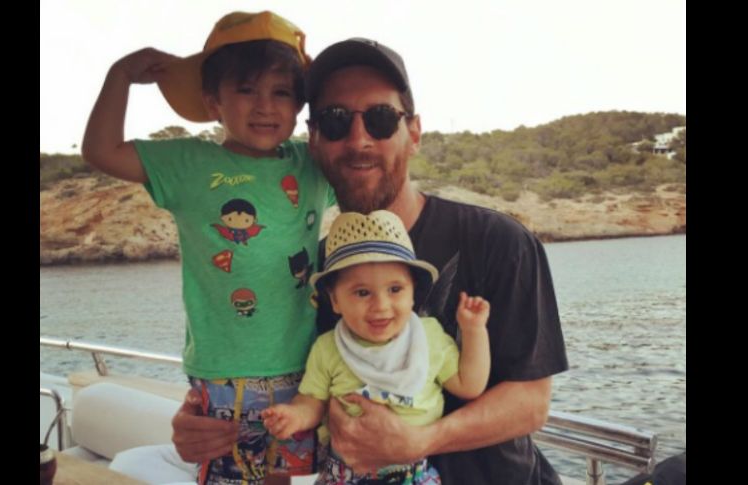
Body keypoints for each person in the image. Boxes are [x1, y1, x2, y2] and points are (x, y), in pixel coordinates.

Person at [171, 37, 569, 485]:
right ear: (313, 140)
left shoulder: (500, 242)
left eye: (381, 119)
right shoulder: (312, 271)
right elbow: (294, 387)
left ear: (413, 133)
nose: (358, 139)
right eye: (335, 121)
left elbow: (531, 403)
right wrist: (202, 422)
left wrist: (420, 441)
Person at [81, 10, 336, 485]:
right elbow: (100, 151)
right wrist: (120, 75)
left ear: (301, 105)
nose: (265, 106)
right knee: (229, 476)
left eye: (282, 92)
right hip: (224, 369)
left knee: (285, 478)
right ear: (213, 100)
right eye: (247, 89)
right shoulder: (188, 163)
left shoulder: (311, 162)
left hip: (306, 364)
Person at [262, 210, 491, 484]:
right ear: (335, 301)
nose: (380, 306)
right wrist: (294, 416)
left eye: (395, 289)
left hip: (413, 474)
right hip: (344, 475)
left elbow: (469, 385)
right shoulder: (328, 347)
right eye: (362, 293)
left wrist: (474, 331)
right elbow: (313, 401)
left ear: (413, 294)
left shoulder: (428, 336)